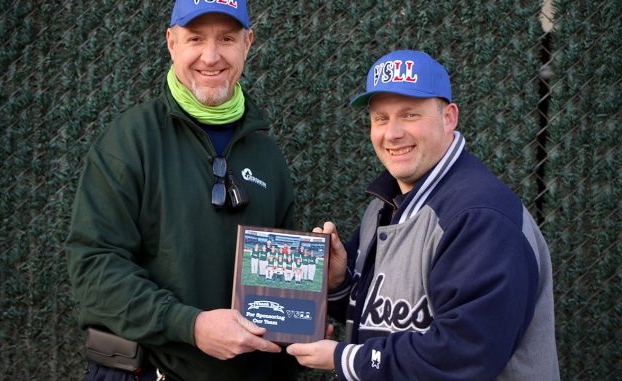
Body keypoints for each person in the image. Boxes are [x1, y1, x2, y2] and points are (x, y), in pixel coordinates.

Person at [287, 50, 560, 381]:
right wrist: (341, 284)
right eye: (380, 118)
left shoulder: (481, 216)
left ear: (449, 117)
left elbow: (464, 353)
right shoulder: (384, 204)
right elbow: (385, 320)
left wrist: (348, 359)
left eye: (410, 115)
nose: (393, 133)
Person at [65, 1, 299, 380]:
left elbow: (281, 285)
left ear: (248, 43)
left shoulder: (268, 155)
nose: (211, 56)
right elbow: (94, 269)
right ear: (171, 42)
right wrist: (190, 326)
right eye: (195, 39)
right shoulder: (130, 141)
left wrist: (301, 327)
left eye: (226, 38)